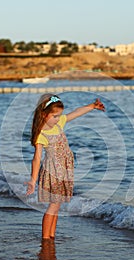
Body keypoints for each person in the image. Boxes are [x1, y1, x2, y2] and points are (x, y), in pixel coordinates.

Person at [26, 93, 105, 240]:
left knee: (57, 204)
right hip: (53, 172)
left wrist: (92, 106)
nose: (58, 119)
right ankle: (45, 238)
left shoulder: (58, 123)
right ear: (44, 115)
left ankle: (51, 236)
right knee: (53, 205)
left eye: (59, 116)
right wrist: (32, 180)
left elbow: (75, 113)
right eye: (55, 116)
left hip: (64, 170)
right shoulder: (41, 134)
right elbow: (36, 159)